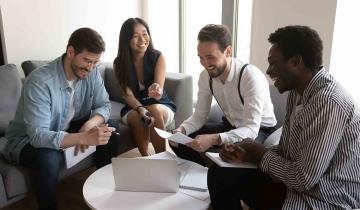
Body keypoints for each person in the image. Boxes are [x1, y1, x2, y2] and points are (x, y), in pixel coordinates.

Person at [207, 25, 360, 210]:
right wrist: (247, 153)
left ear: (296, 62)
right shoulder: (298, 92)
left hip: (324, 198)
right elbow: (289, 150)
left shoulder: (328, 102)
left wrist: (259, 153)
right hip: (300, 187)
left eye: (273, 63)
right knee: (220, 172)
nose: (269, 71)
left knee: (226, 176)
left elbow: (303, 179)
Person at [1, 28, 120, 210]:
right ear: (70, 51)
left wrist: (88, 126)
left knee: (110, 129)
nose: (91, 68)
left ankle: (102, 194)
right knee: (50, 158)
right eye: (87, 60)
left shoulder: (92, 72)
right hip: (26, 140)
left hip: (64, 127)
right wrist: (83, 138)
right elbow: (38, 136)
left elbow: (103, 104)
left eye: (96, 62)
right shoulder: (40, 82)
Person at [170, 24, 277, 166]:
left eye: (210, 57)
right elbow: (200, 115)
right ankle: (203, 172)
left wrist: (214, 139)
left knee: (234, 154)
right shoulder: (205, 76)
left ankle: (214, 171)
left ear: (227, 52)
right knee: (181, 140)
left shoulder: (250, 76)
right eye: (201, 58)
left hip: (259, 129)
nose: (205, 64)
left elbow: (251, 129)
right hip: (231, 125)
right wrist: (181, 129)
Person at [114, 18, 176, 156]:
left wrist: (155, 89)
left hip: (160, 104)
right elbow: (128, 95)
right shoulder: (119, 63)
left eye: (144, 33)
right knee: (137, 118)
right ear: (126, 40)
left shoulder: (158, 56)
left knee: (154, 110)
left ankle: (162, 158)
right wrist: (141, 109)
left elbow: (158, 92)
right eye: (135, 36)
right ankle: (146, 158)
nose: (142, 40)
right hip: (134, 106)